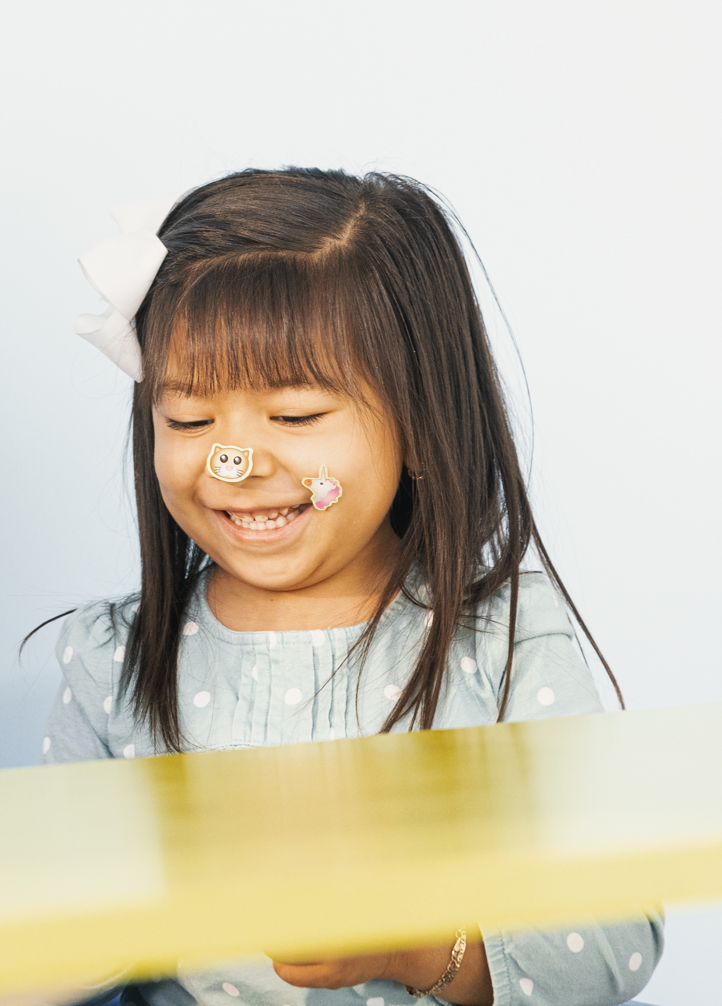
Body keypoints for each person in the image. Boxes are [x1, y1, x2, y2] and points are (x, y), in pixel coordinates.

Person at [43, 169, 661, 1006]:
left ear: (417, 422)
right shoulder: (111, 657)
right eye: (188, 419)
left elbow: (619, 937)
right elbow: (56, 934)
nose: (237, 464)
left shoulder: (501, 636)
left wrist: (418, 948)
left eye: (295, 417)